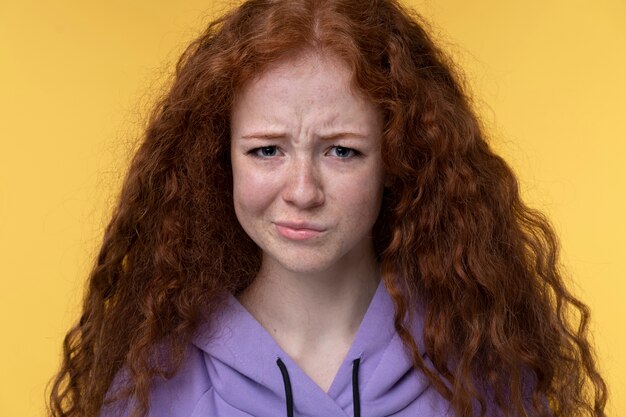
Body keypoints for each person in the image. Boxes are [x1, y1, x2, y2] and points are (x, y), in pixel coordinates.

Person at [48, 1, 608, 416]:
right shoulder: (152, 384)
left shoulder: (483, 363)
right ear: (220, 161)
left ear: (396, 158)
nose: (302, 190)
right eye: (267, 150)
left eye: (342, 151)